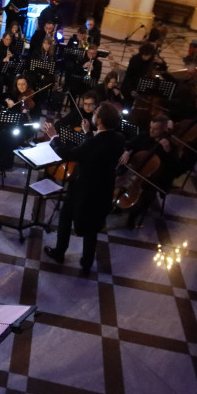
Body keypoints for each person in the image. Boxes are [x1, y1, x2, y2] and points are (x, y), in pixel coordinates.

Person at [43, 101, 126, 275]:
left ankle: (59, 252)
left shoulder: (94, 143)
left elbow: (69, 154)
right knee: (93, 227)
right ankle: (87, 262)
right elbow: (95, 148)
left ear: (101, 120)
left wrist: (54, 137)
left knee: (66, 217)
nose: (93, 114)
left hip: (83, 188)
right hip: (103, 188)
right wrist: (88, 133)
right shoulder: (119, 138)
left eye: (96, 112)